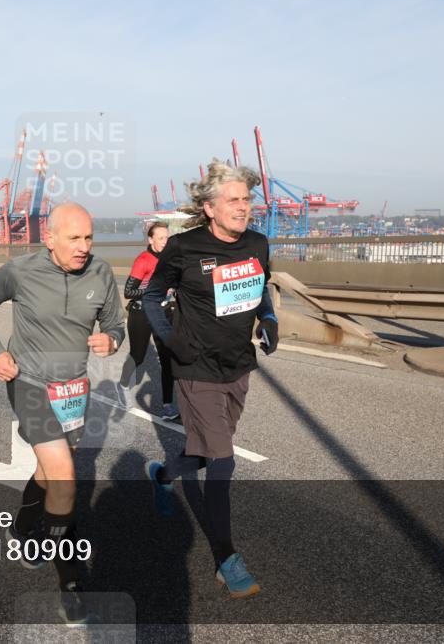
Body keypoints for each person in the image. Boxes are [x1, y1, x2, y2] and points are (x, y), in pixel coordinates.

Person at [0, 202, 124, 626]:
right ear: (50, 239)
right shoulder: (20, 271)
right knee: (64, 476)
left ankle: (22, 527)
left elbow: (116, 324)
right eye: (74, 238)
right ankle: (70, 581)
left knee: (46, 471)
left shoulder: (101, 273)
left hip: (73, 390)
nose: (83, 247)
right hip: (30, 384)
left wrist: (111, 340)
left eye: (89, 237)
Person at [142, 161, 279, 599]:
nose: (243, 208)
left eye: (247, 199)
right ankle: (227, 560)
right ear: (209, 208)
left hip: (238, 365)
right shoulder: (182, 248)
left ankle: (163, 473)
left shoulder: (257, 243)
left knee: (204, 451)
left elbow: (261, 289)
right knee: (223, 462)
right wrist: (171, 342)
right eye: (233, 200)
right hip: (195, 368)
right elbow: (149, 295)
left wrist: (270, 317)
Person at [118, 222, 178, 420]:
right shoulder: (143, 260)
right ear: (151, 240)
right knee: (138, 356)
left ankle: (168, 405)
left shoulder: (171, 260)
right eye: (160, 238)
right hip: (141, 313)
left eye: (167, 237)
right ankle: (123, 385)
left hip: (163, 312)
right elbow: (129, 292)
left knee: (167, 358)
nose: (165, 241)